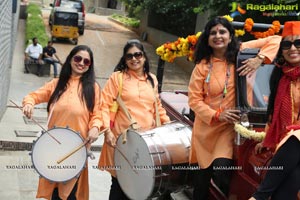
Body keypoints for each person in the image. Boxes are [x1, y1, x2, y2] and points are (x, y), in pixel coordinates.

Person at [188, 16, 281, 200]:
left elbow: (276, 39)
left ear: (230, 36)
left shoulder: (242, 52)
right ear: (207, 38)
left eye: (222, 32)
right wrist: (217, 115)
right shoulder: (202, 66)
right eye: (213, 33)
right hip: (206, 129)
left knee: (223, 171)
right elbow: (194, 100)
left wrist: (260, 59)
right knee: (201, 182)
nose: (218, 36)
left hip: (229, 129)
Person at [22, 45, 103, 200]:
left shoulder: (93, 88)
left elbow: (98, 113)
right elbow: (33, 96)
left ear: (90, 66)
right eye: (78, 58)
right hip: (53, 148)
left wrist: (95, 127)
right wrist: (29, 103)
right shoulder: (56, 84)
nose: (81, 63)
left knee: (70, 194)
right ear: (70, 59)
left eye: (86, 61)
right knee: (53, 190)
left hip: (77, 150)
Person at [98, 39, 170, 199]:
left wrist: (168, 125)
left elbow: (157, 107)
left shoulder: (152, 79)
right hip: (122, 142)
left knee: (140, 188)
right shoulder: (118, 78)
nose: (134, 59)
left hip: (146, 144)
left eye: (137, 54)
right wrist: (107, 131)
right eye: (129, 56)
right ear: (124, 60)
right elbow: (103, 105)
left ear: (144, 57)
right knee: (119, 185)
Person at [249, 21, 300, 200]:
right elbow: (274, 113)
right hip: (288, 151)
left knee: (296, 137)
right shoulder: (280, 76)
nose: (292, 48)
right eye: (287, 44)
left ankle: (259, 196)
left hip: (294, 142)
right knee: (287, 187)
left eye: (298, 43)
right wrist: (266, 138)